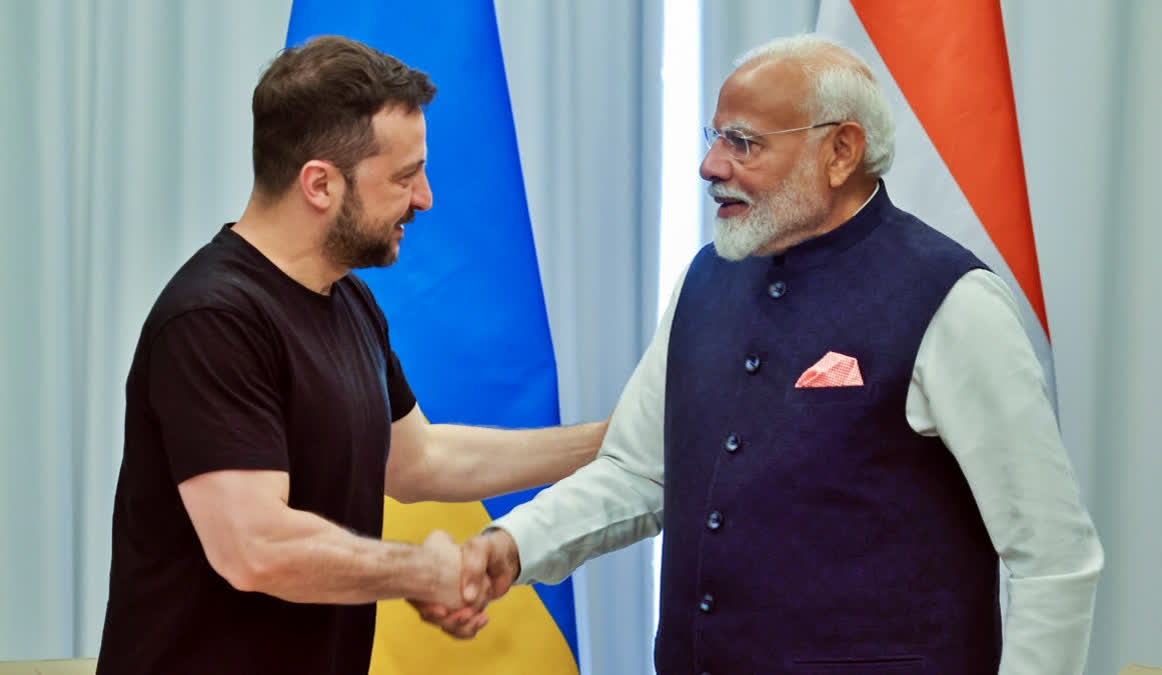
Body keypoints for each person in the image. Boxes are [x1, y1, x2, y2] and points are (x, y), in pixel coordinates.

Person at [422, 34, 1104, 674]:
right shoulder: (705, 279)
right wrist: (513, 545)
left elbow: (1054, 561)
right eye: (715, 136)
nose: (710, 165)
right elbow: (639, 470)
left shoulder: (953, 301)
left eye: (743, 143)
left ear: (841, 152)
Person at [95, 35, 605, 675]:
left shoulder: (349, 299)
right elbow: (255, 547)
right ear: (319, 184)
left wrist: (610, 443)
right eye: (404, 176)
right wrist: (421, 570)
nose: (425, 199)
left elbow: (420, 459)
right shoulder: (213, 319)